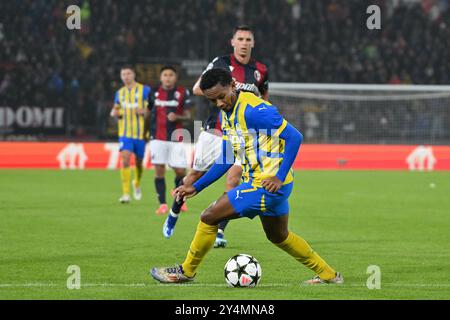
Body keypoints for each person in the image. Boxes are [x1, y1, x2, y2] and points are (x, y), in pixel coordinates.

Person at [151, 68, 343, 285]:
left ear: (233, 84)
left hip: (268, 185)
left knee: (208, 216)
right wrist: (197, 186)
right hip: (265, 185)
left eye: (221, 97)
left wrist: (278, 177)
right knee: (279, 236)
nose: (219, 104)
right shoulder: (227, 113)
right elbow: (226, 156)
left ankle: (185, 271)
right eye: (213, 101)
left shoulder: (254, 110)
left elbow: (295, 137)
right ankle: (329, 275)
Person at [162, 25, 269, 246]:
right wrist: (228, 92)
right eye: (240, 38)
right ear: (233, 42)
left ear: (253, 43)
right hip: (215, 129)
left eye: (248, 39)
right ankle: (173, 213)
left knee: (233, 178)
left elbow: (264, 100)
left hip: (241, 134)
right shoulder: (221, 63)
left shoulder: (260, 70)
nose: (244, 43)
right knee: (194, 176)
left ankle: (219, 230)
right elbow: (197, 88)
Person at [148, 66, 192, 215]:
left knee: (180, 171)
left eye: (170, 75)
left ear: (175, 77)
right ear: (161, 78)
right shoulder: (153, 93)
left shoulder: (182, 92)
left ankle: (179, 198)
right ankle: (162, 204)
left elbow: (187, 116)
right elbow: (148, 112)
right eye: (165, 75)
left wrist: (177, 117)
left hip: (176, 137)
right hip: (157, 138)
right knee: (159, 171)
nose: (168, 77)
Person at [110, 66, 150, 203]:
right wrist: (115, 114)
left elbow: (152, 109)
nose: (125, 76)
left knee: (139, 163)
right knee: (125, 159)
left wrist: (145, 111)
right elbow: (114, 111)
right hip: (125, 133)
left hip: (141, 134)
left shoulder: (144, 90)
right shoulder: (119, 93)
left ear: (133, 74)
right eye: (123, 74)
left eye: (128, 73)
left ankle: (137, 183)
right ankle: (126, 194)